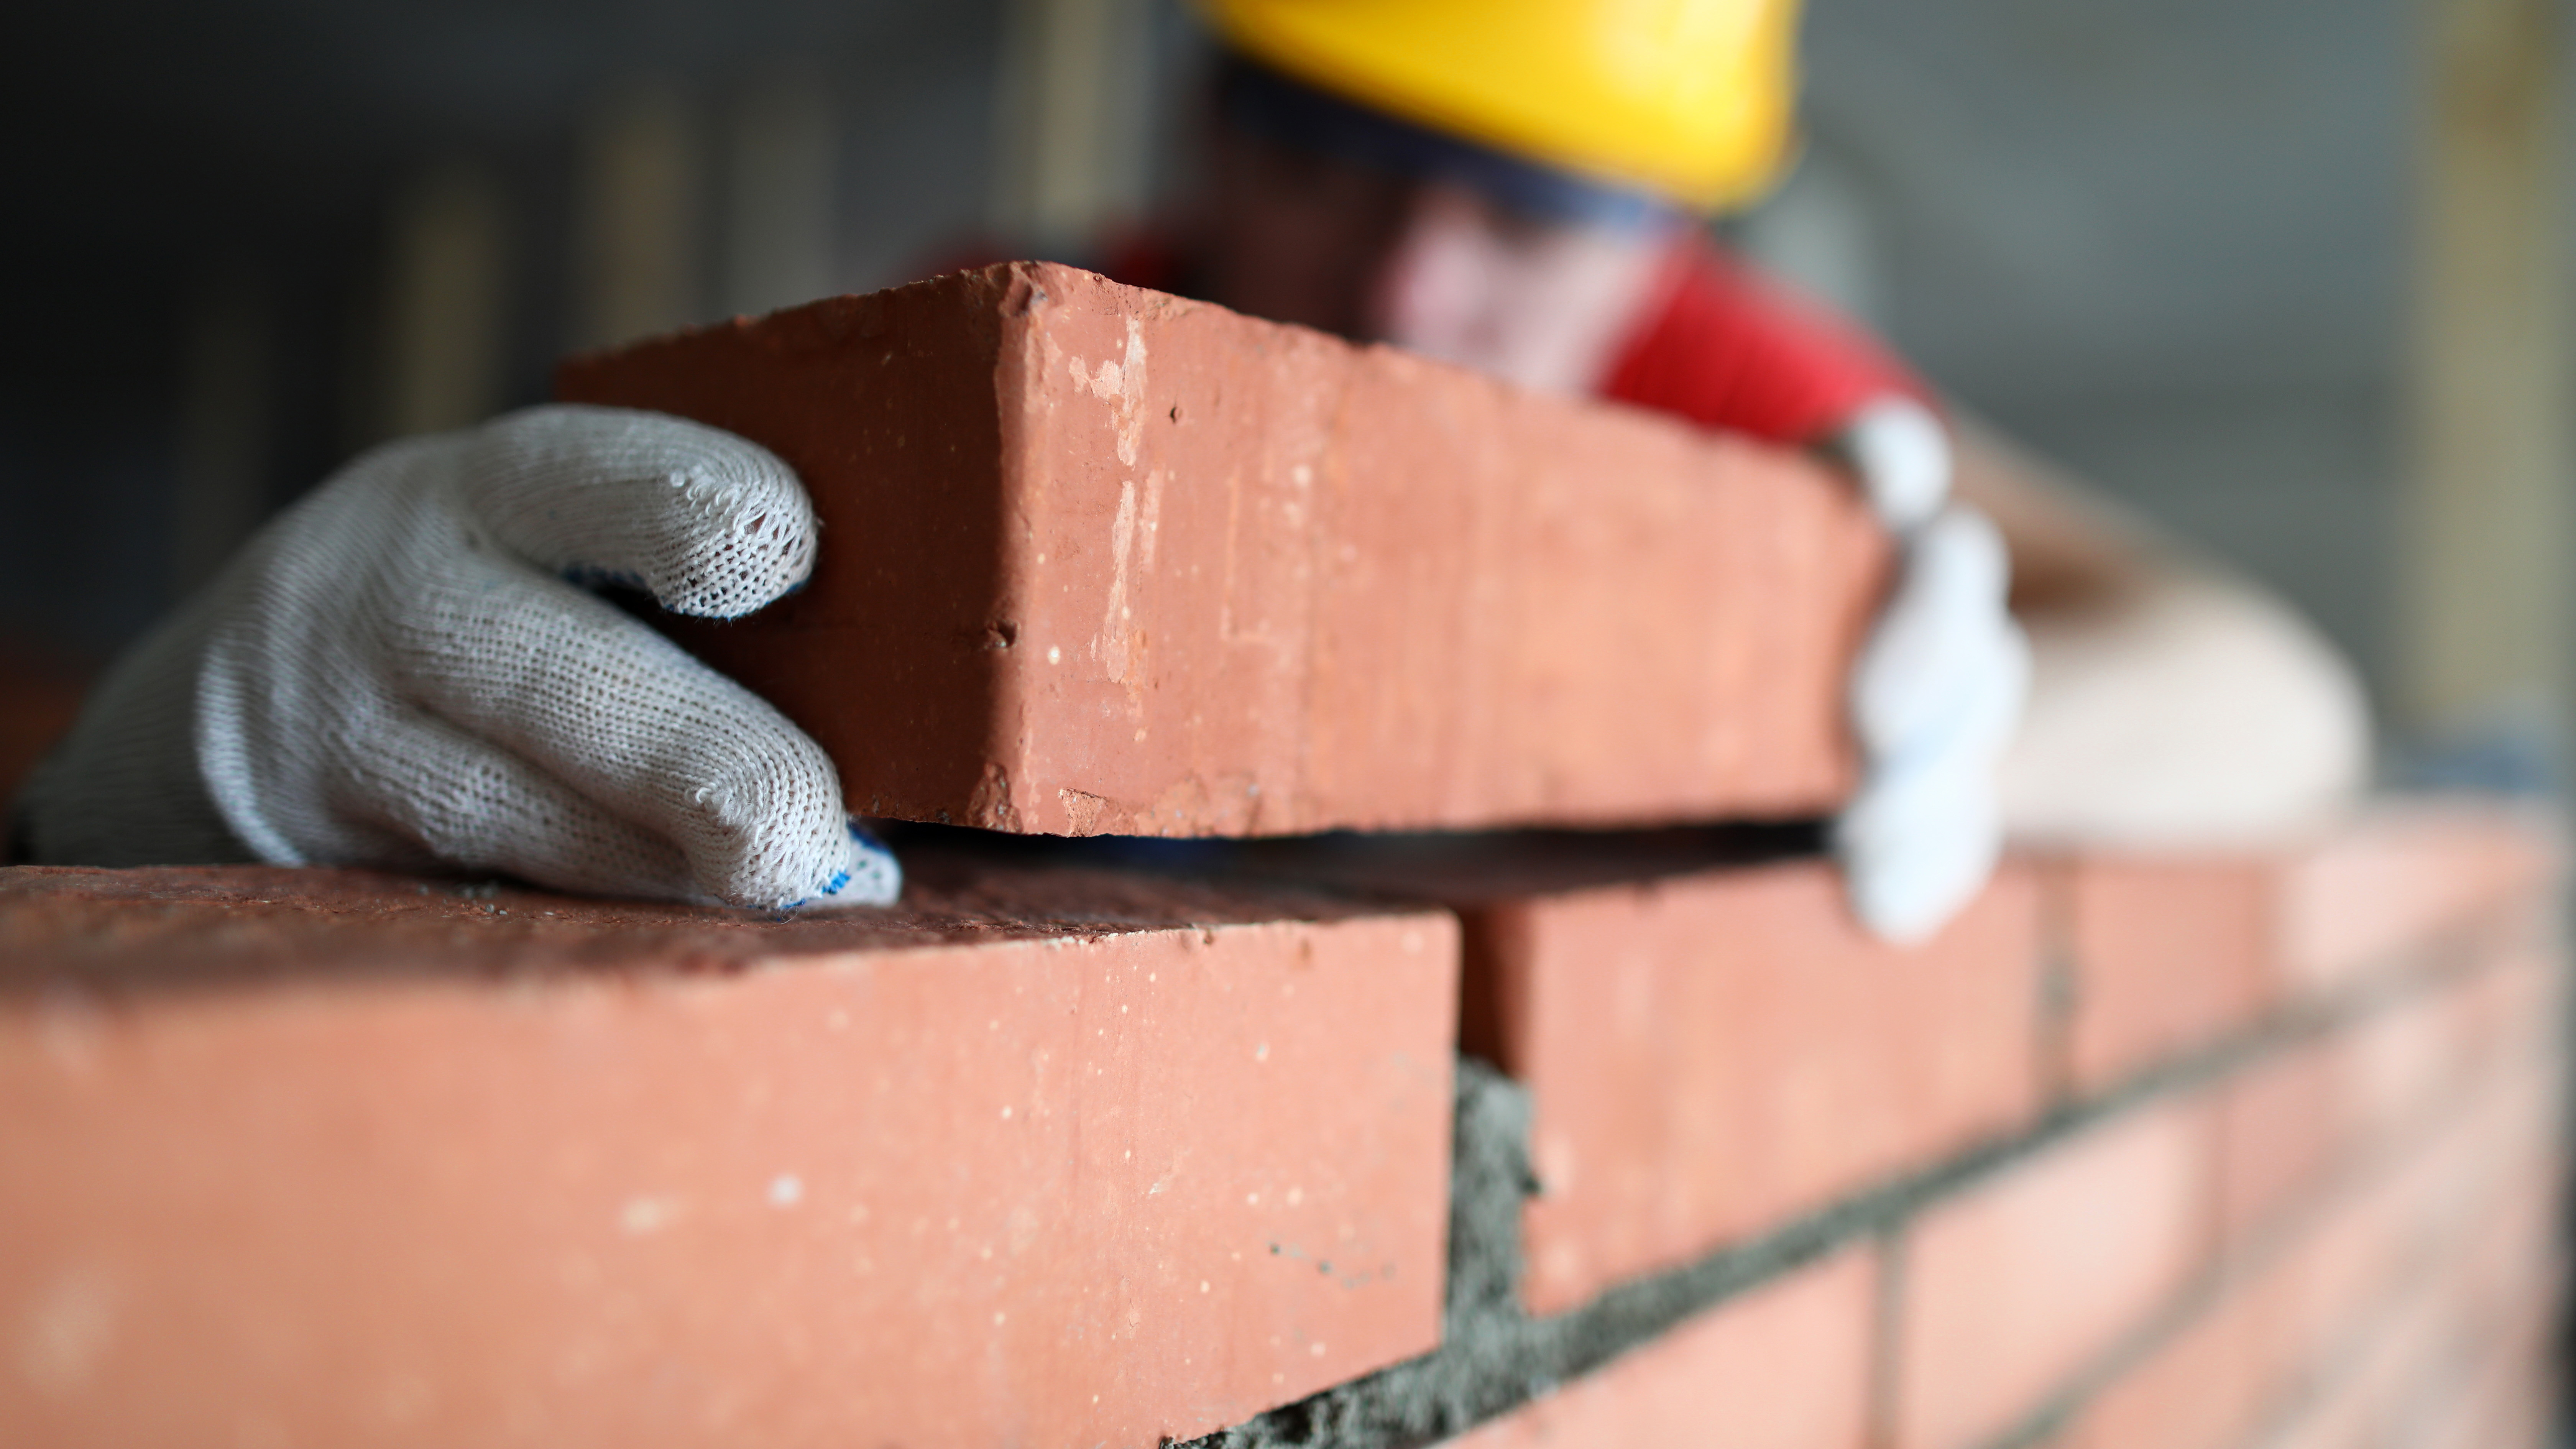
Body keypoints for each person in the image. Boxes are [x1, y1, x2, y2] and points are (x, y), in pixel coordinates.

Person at [6, 0, 2368, 942]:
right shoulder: (1015, 336)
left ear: (1667, 237)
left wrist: (1911, 721)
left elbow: (2277, 701)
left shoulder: (1713, 377)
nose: (1425, 289)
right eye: (1340, 154)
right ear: (1213, 115)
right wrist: (198, 780)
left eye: (1530, 211)